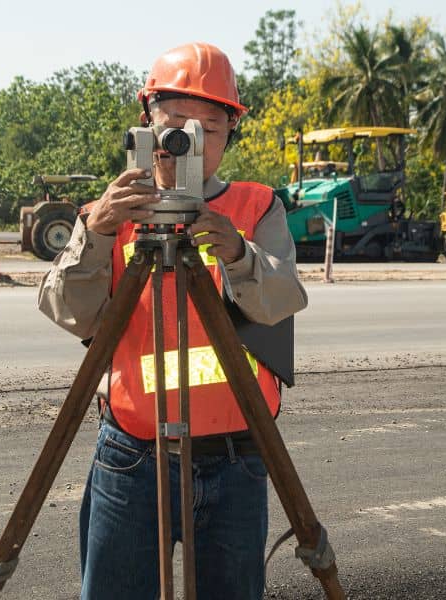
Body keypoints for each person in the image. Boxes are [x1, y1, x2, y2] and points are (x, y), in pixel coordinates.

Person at [38, 42, 308, 599]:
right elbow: (70, 312)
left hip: (238, 456)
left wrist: (239, 254)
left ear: (231, 134)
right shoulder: (109, 213)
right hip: (133, 453)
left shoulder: (257, 209)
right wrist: (101, 232)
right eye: (176, 124)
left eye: (210, 127)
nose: (191, 141)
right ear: (146, 124)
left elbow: (282, 299)